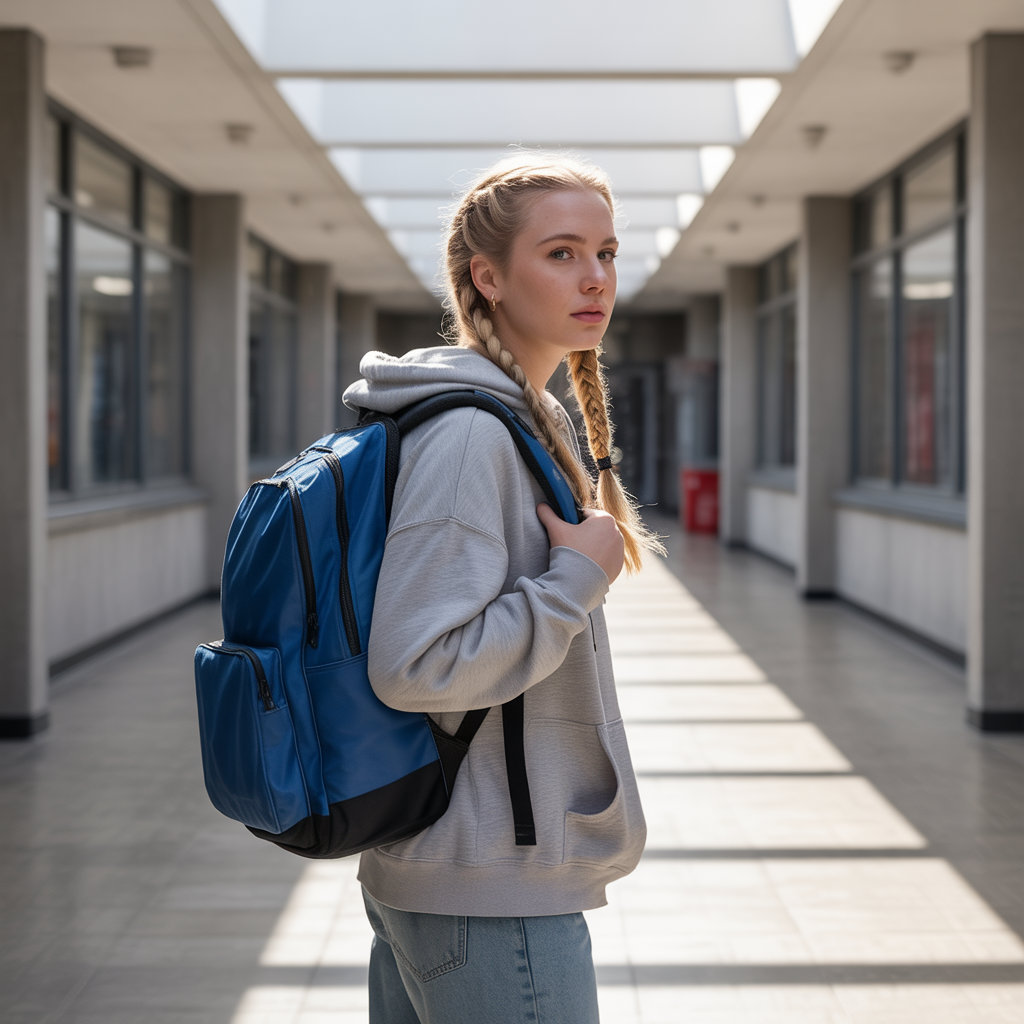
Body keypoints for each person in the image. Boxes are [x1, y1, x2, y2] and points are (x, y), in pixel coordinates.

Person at [343, 154, 662, 1024]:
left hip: (465, 871)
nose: (595, 276)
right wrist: (574, 580)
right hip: (487, 888)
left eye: (606, 251)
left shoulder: (529, 419)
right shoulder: (471, 438)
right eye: (560, 253)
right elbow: (415, 666)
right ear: (487, 276)